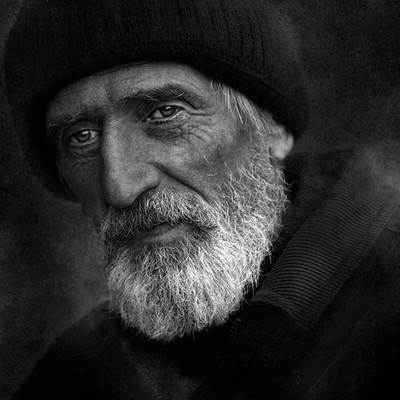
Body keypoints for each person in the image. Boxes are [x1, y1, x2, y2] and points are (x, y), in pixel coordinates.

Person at [4, 0, 400, 399]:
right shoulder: (76, 374)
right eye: (81, 137)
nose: (120, 188)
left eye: (165, 113)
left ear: (272, 129)